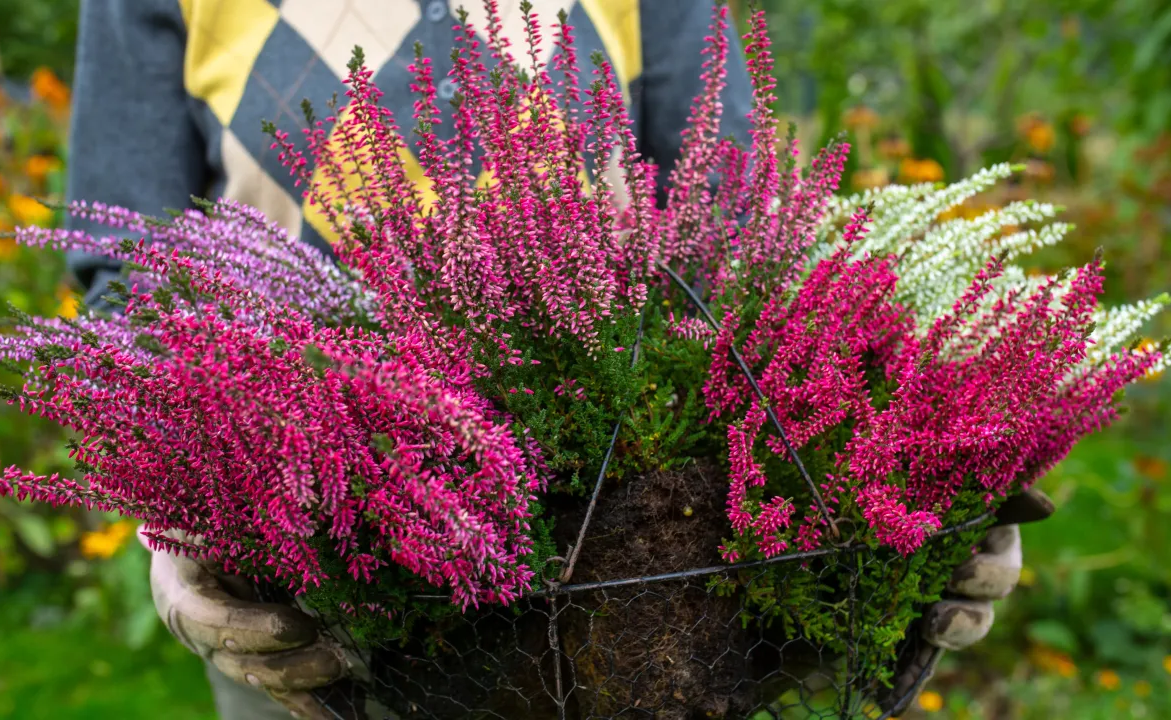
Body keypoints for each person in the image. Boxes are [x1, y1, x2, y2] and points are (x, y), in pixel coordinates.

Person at [64, 1, 1051, 717]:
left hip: (622, 552)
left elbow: (739, 233)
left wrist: (922, 478)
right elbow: (132, 273)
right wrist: (186, 522)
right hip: (313, 560)